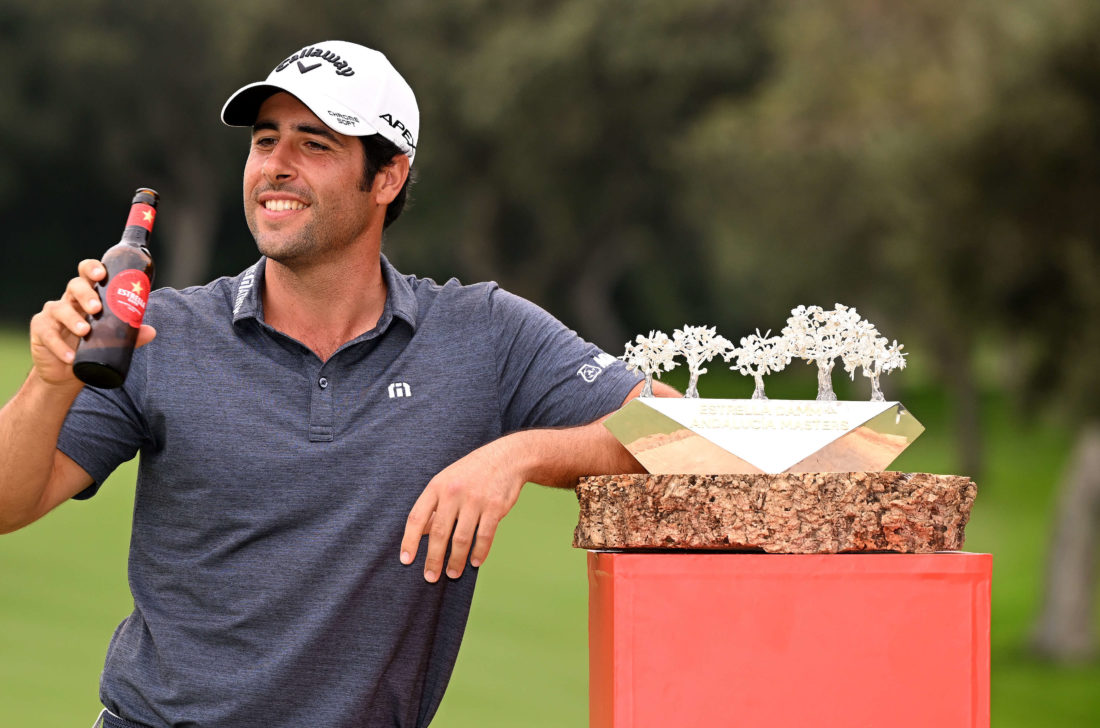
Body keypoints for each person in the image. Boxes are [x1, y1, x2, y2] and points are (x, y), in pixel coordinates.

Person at [0, 39, 679, 727]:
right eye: (265, 141)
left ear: (387, 177)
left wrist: (521, 455)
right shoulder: (161, 334)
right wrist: (50, 384)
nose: (276, 168)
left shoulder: (483, 333)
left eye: (315, 145)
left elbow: (682, 433)